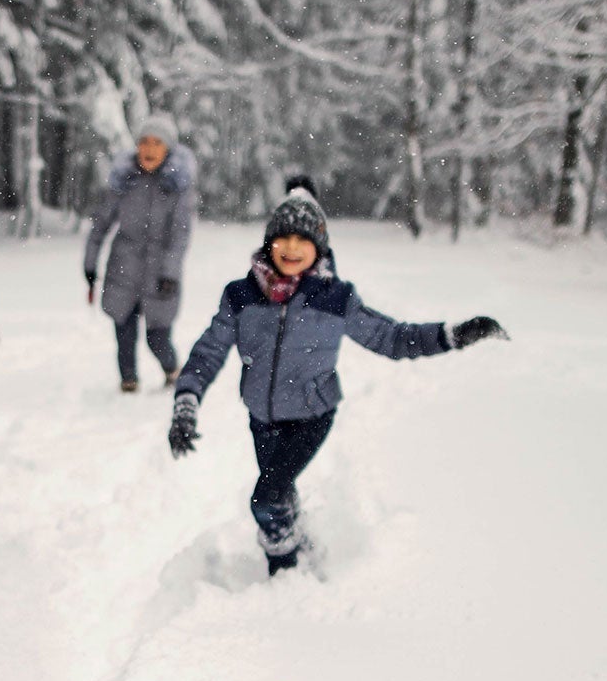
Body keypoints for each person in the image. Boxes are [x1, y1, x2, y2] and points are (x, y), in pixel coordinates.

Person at [167, 178, 506, 575]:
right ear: (268, 243)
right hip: (262, 418)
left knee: (266, 497)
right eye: (283, 239)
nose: (292, 248)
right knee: (281, 490)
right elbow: (208, 351)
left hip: (312, 415)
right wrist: (187, 400)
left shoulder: (335, 298)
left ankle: (285, 566)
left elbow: (393, 338)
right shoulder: (241, 296)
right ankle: (300, 538)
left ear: (319, 247)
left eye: (303, 240)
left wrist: (452, 336)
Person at [82, 114, 197, 392]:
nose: (149, 149)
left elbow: (180, 234)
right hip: (123, 267)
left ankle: (172, 368)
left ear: (168, 149)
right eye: (144, 142)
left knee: (157, 336)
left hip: (160, 271)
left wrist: (170, 272)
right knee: (124, 329)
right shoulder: (124, 180)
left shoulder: (178, 187)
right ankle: (128, 381)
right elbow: (100, 225)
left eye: (157, 143)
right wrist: (90, 263)